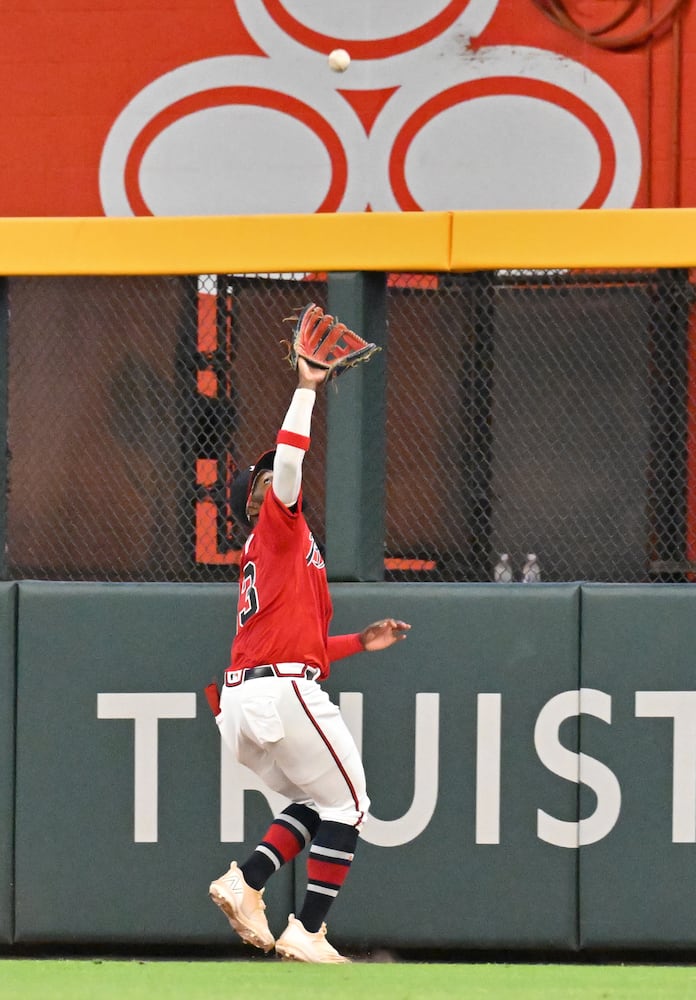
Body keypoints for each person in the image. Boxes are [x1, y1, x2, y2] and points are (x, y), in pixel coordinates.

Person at [208, 351, 410, 964]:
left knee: (313, 804)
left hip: (246, 700)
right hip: (277, 692)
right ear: (254, 502)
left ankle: (245, 882)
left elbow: (303, 644)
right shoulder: (277, 525)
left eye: (275, 477)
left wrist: (356, 643)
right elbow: (292, 458)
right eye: (265, 481)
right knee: (351, 805)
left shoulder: (285, 556)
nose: (278, 481)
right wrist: (306, 387)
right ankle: (309, 931)